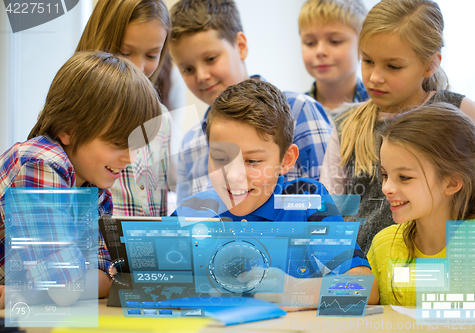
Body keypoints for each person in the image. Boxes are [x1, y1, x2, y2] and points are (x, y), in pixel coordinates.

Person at [173, 79, 379, 307]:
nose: (233, 175)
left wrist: (299, 291)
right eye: (221, 158)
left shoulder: (305, 201)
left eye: (252, 161)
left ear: (286, 160)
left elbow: (365, 288)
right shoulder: (192, 211)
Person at [319, 0, 475, 253]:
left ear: (430, 64)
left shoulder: (458, 110)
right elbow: (329, 211)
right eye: (367, 61)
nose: (374, 77)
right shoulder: (345, 124)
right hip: (364, 271)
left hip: (443, 269)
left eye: (393, 66)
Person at [0, 51, 162, 306]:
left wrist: (25, 293)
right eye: (118, 143)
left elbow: (105, 277)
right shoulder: (39, 163)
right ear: (68, 130)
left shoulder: (94, 188)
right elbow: (65, 289)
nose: (130, 159)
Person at [169, 0, 332, 204]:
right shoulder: (190, 144)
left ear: (241, 46)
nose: (201, 76)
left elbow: (331, 204)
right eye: (188, 69)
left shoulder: (299, 110)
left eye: (211, 59)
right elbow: (188, 223)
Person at [368, 103, 475, 307]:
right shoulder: (383, 243)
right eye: (385, 175)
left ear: (452, 183)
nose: (386, 188)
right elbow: (346, 298)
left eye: (404, 177)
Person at [77, 0, 173, 216]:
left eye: (151, 55)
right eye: (125, 52)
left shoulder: (163, 119)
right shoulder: (74, 112)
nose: (138, 68)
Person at [299, 0, 369, 122]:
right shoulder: (292, 110)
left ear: (362, 44)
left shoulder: (381, 109)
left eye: (335, 41)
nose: (320, 51)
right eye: (310, 43)